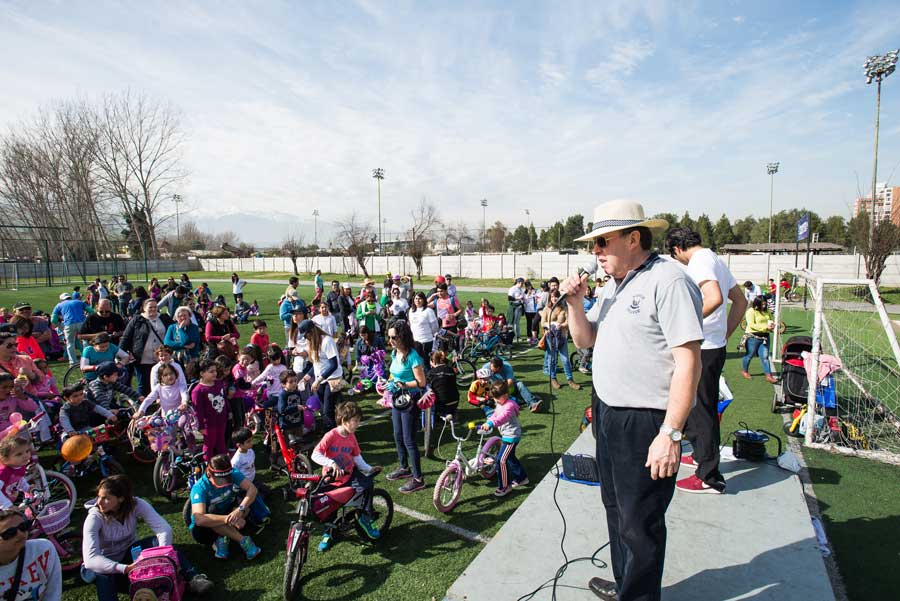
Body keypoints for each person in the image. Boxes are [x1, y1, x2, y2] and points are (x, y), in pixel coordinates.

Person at [566, 200, 702, 601]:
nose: (596, 252)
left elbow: (688, 362)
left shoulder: (669, 281)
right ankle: (627, 585)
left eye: (603, 242)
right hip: (609, 412)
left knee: (639, 523)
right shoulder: (613, 285)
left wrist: (671, 433)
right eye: (593, 244)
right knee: (616, 509)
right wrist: (575, 304)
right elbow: (585, 340)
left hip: (645, 421)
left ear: (634, 238)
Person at [666, 227, 747, 495]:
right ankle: (701, 455)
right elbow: (741, 301)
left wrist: (686, 324)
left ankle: (710, 477)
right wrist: (725, 334)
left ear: (677, 249)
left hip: (703, 346)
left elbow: (714, 298)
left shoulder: (700, 261)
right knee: (696, 404)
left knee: (700, 408)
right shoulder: (715, 258)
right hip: (713, 344)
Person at [83, 475, 213, 599]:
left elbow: (163, 529)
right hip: (105, 564)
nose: (99, 502)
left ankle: (194, 578)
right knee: (104, 576)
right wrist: (125, 568)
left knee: (157, 543)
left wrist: (163, 556)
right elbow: (91, 559)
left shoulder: (136, 504)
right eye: (99, 496)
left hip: (129, 553)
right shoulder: (94, 517)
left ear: (121, 498)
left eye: (106, 498)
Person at [311, 400, 382, 551]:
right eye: (355, 421)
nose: (358, 424)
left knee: (368, 484)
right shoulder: (331, 435)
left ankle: (365, 517)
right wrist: (331, 463)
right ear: (344, 421)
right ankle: (328, 534)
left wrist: (369, 469)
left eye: (358, 420)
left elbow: (357, 457)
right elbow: (315, 454)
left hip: (349, 474)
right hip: (331, 478)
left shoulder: (352, 437)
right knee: (329, 508)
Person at [189, 454, 263, 560]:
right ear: (209, 473)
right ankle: (243, 540)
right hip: (203, 530)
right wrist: (230, 518)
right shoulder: (199, 488)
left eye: (226, 479)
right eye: (220, 480)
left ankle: (223, 537)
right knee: (212, 512)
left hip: (226, 511)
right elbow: (199, 519)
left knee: (245, 500)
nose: (224, 483)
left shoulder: (232, 473)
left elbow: (252, 489)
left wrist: (240, 510)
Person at [384, 320, 427, 494]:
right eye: (389, 337)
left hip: (410, 399)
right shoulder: (395, 353)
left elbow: (421, 382)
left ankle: (418, 478)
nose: (391, 341)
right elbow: (393, 373)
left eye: (394, 337)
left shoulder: (413, 357)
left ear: (403, 336)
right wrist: (388, 383)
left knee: (409, 439)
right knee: (397, 435)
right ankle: (404, 467)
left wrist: (403, 384)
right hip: (397, 398)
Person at [0, 508, 61, 600]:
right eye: (10, 533)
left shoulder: (43, 549)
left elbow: (53, 594)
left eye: (23, 526)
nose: (20, 534)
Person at [480, 381, 528, 495]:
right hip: (507, 435)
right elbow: (495, 415)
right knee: (510, 457)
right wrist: (488, 421)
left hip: (511, 437)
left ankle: (504, 487)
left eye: (497, 398)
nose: (495, 400)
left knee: (501, 460)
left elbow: (502, 417)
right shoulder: (500, 403)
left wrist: (491, 424)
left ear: (505, 395)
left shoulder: (509, 406)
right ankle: (522, 478)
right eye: (494, 398)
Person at [120, 298, 173, 396]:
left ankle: (161, 400)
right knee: (143, 383)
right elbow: (126, 337)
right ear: (144, 308)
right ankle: (143, 404)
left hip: (161, 356)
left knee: (162, 380)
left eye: (155, 307)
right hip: (142, 357)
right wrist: (121, 354)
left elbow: (173, 331)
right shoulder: (137, 319)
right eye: (150, 307)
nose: (153, 309)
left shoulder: (164, 318)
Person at [297, 320, 343, 431]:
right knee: (323, 410)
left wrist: (318, 380)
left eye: (306, 335)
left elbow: (334, 365)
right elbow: (317, 364)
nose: (306, 338)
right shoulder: (313, 343)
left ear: (312, 331)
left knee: (327, 410)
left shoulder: (327, 341)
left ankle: (332, 433)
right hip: (321, 380)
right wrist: (307, 377)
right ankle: (333, 430)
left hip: (332, 379)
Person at [540, 289, 581, 391]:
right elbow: (542, 323)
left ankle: (570, 380)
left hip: (562, 337)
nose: (554, 299)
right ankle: (553, 379)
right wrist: (550, 325)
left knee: (565, 360)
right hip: (550, 337)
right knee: (552, 359)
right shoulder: (547, 309)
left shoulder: (564, 308)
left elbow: (568, 322)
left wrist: (561, 325)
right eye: (553, 297)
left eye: (556, 297)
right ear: (550, 298)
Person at [192, 360, 229, 461]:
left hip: (221, 420)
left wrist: (228, 411)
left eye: (215, 371)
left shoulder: (219, 383)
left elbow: (224, 398)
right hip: (209, 424)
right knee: (209, 445)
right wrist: (201, 425)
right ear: (202, 373)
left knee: (221, 442)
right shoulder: (198, 391)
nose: (215, 373)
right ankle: (207, 466)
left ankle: (224, 465)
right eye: (211, 371)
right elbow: (198, 411)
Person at [741, 296, 778, 384]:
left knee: (765, 357)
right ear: (757, 304)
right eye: (762, 304)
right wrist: (765, 327)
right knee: (749, 355)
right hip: (753, 337)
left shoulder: (767, 311)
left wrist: (771, 326)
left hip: (765, 337)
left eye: (765, 304)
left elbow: (769, 320)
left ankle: (768, 375)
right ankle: (744, 371)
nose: (764, 306)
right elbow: (751, 324)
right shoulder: (751, 311)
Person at [51, 292, 93, 365]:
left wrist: (61, 327)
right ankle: (87, 359)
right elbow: (91, 311)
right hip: (81, 323)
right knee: (85, 340)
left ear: (61, 300)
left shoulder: (59, 305)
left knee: (70, 343)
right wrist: (87, 320)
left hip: (68, 325)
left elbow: (53, 320)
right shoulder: (79, 302)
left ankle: (73, 362)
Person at [0, 436, 32, 508]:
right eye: (19, 454)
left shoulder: (19, 466)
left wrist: (27, 488)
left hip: (7, 501)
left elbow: (20, 479)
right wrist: (7, 505)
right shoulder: (3, 472)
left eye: (27, 451)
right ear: (5, 459)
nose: (25, 455)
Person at [427, 351, 459, 422]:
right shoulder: (451, 370)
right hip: (455, 400)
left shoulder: (430, 373)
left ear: (433, 361)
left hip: (441, 403)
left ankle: (442, 414)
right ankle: (452, 412)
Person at [409, 292, 439, 360]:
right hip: (415, 340)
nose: (417, 300)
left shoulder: (428, 311)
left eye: (420, 299)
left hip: (426, 340)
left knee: (425, 362)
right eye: (416, 298)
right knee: (415, 360)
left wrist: (430, 334)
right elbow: (411, 324)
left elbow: (435, 326)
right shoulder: (411, 310)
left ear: (423, 300)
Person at [523, 280, 539, 345]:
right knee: (529, 324)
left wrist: (535, 297)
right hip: (528, 311)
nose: (529, 287)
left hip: (535, 310)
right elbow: (525, 302)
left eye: (529, 286)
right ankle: (529, 336)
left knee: (535, 324)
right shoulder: (525, 293)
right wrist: (528, 295)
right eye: (527, 286)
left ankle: (536, 336)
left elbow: (538, 299)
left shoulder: (536, 291)